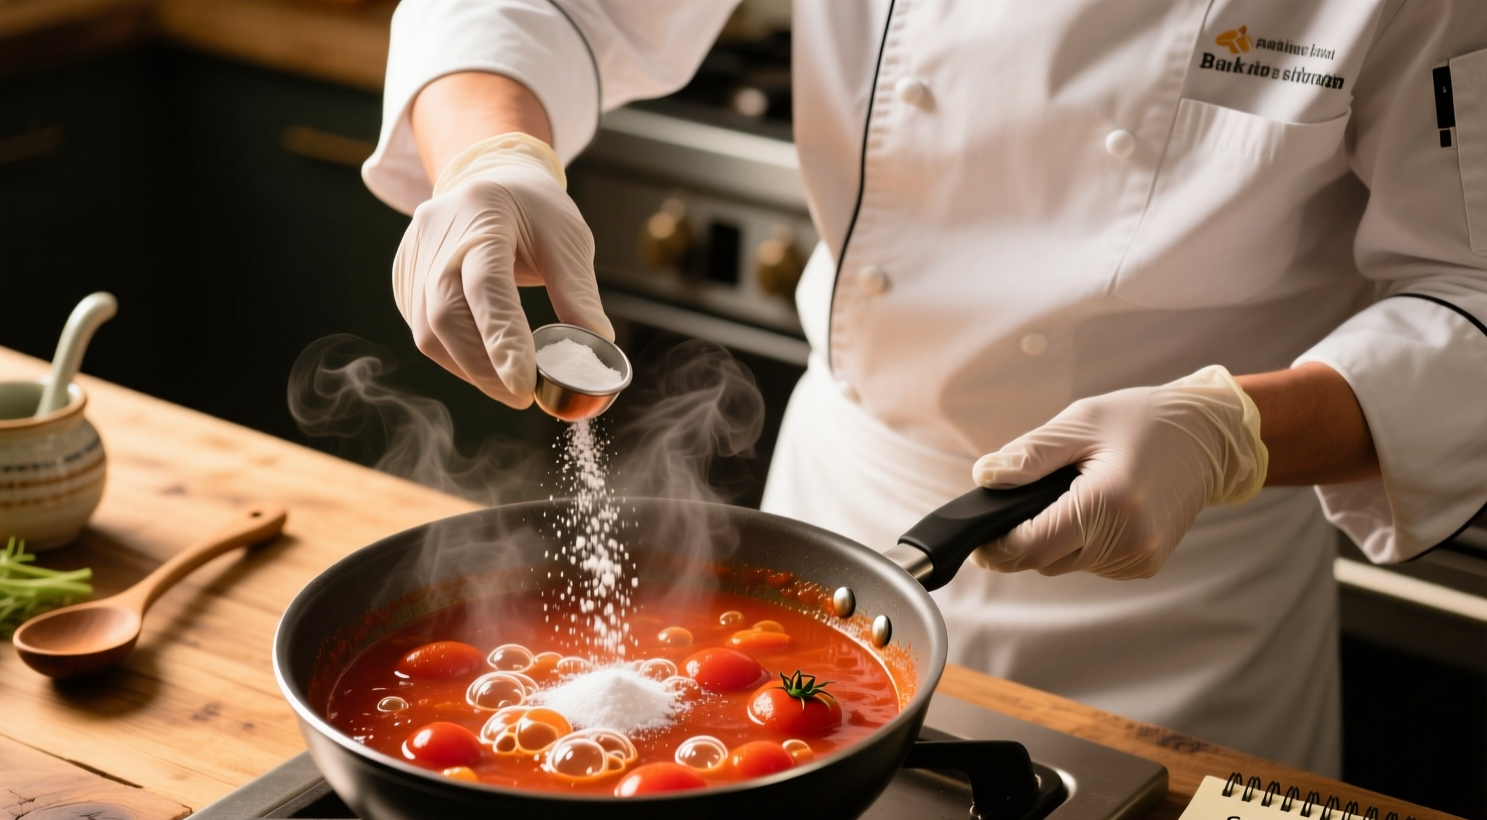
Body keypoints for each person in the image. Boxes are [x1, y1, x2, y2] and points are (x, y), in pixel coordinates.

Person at [365, 1, 1487, 775]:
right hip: (845, 528)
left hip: (1188, 606)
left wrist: (1228, 432)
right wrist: (488, 157)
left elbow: (1469, 293)